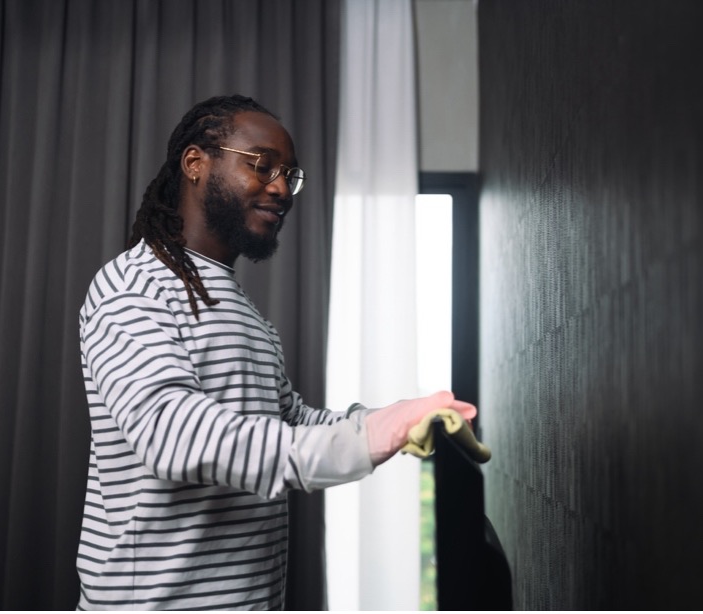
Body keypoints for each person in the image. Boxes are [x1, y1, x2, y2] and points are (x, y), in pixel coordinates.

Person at [76, 94, 476, 610]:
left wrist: (393, 419)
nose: (282, 188)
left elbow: (290, 420)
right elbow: (174, 437)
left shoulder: (236, 306)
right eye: (262, 166)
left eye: (290, 173)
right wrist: (368, 439)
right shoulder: (130, 286)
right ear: (195, 163)